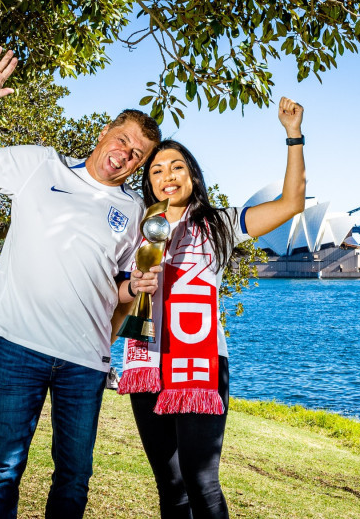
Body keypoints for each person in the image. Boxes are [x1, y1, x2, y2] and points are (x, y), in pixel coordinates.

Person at [0, 46, 162, 519]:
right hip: (20, 347)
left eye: (137, 154)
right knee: (1, 469)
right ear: (104, 132)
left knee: (75, 476)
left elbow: (118, 288)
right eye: (122, 139)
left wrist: (138, 286)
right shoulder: (41, 164)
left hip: (86, 361)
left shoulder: (136, 212)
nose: (124, 154)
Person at [117, 97, 306, 518]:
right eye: (157, 169)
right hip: (145, 360)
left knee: (201, 482)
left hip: (200, 363)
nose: (167, 176)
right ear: (148, 181)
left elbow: (292, 204)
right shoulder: (138, 225)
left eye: (177, 167)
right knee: (170, 485)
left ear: (193, 175)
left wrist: (293, 135)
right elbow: (113, 287)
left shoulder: (221, 223)